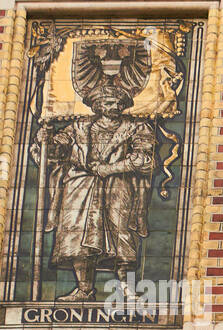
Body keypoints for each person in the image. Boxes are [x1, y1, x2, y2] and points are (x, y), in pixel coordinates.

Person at [37, 86, 155, 302]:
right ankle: (84, 290)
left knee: (122, 234)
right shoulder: (79, 127)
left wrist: (109, 169)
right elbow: (56, 152)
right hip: (80, 186)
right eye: (109, 102)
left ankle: (128, 291)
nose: (115, 106)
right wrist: (46, 140)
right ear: (98, 105)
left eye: (120, 102)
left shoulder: (137, 127)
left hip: (117, 185)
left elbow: (144, 158)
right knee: (77, 237)